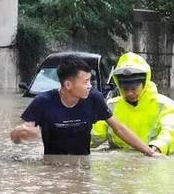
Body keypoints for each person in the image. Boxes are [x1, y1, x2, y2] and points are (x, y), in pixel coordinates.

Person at [10, 55, 158, 159]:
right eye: (85, 82)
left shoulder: (94, 98)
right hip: (51, 167)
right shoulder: (43, 102)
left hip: (83, 164)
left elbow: (118, 128)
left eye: (90, 81)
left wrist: (150, 152)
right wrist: (19, 133)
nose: (89, 86)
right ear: (68, 85)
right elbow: (16, 138)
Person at [91, 52, 174, 155]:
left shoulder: (167, 106)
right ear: (118, 84)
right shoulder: (110, 106)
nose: (130, 93)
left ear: (144, 83)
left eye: (134, 88)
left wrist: (157, 147)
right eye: (125, 89)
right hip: (118, 165)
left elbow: (169, 133)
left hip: (152, 159)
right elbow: (95, 137)